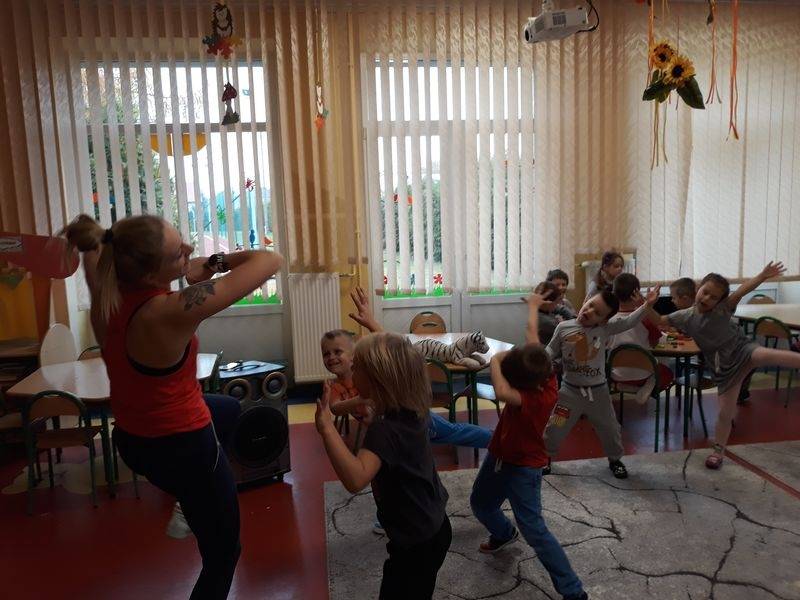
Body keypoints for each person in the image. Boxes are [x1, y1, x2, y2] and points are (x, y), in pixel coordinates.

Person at [62, 214, 283, 599]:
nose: (189, 250)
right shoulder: (167, 312)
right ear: (150, 274)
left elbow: (94, 252)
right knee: (224, 555)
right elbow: (270, 260)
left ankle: (187, 497)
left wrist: (91, 242)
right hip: (183, 447)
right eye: (178, 252)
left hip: (133, 440)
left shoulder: (105, 294)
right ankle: (190, 495)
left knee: (228, 410)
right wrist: (212, 264)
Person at [469, 292, 588, 600]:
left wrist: (496, 360)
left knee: (534, 529)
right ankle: (504, 533)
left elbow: (501, 391)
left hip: (523, 467)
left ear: (525, 385)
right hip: (499, 455)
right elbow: (531, 335)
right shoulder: (543, 370)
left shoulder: (536, 398)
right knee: (481, 504)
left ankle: (573, 590)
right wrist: (534, 306)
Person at [315, 333, 451, 600]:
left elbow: (355, 479)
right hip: (435, 525)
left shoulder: (384, 429)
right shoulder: (412, 408)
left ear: (377, 378)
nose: (352, 374)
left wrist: (327, 429)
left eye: (357, 368)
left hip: (415, 541)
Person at [651, 263, 800, 469]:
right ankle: (718, 452)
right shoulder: (685, 316)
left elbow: (741, 291)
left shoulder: (722, 310)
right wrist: (646, 305)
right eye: (705, 292)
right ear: (698, 288)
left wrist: (762, 276)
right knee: (724, 413)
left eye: (713, 297)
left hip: (743, 351)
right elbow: (659, 319)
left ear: (720, 301)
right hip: (724, 370)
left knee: (769, 355)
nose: (707, 299)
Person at [544, 287, 659, 478]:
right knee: (555, 426)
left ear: (604, 320)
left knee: (609, 428)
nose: (589, 312)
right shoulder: (563, 327)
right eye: (589, 306)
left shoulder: (605, 329)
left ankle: (615, 459)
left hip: (598, 393)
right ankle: (544, 457)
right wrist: (539, 360)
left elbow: (629, 321)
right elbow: (550, 350)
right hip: (569, 392)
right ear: (585, 302)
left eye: (597, 313)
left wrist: (647, 305)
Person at [607, 273, 673, 401]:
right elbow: (654, 344)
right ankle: (646, 386)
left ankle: (628, 387)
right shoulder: (645, 318)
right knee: (667, 372)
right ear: (637, 293)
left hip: (615, 375)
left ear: (613, 294)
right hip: (643, 374)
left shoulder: (608, 320)